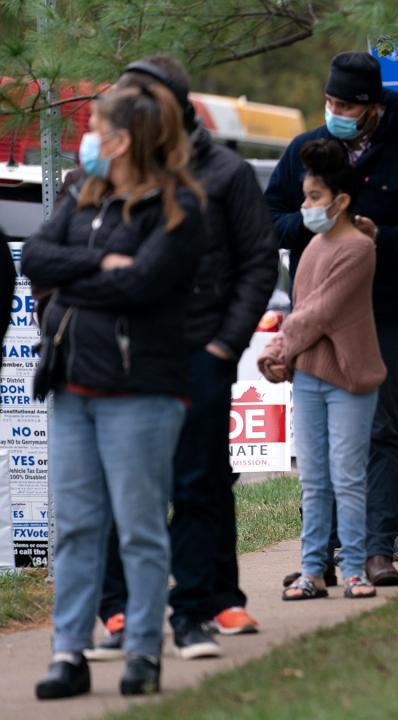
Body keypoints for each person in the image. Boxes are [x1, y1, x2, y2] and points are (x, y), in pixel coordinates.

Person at [80, 56, 278, 665]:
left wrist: (225, 345)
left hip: (199, 350)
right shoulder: (111, 169)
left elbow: (256, 261)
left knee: (199, 479)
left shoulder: (222, 172)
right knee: (121, 484)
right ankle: (117, 610)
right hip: (124, 353)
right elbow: (67, 247)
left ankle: (197, 607)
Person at [24, 83, 205, 699]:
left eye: (97, 127)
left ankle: (141, 652)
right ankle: (68, 652)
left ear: (124, 138)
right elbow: (36, 262)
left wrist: (79, 277)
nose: (88, 138)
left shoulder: (177, 207)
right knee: (75, 526)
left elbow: (148, 284)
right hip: (72, 383)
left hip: (141, 389)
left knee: (138, 525)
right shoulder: (81, 194)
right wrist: (102, 267)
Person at [265, 52, 398, 587]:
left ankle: (376, 549)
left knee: (380, 428)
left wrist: (381, 238)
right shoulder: (308, 150)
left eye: (347, 104)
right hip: (316, 312)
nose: (336, 111)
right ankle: (322, 553)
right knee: (320, 438)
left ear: (373, 106)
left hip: (383, 314)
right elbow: (267, 218)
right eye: (330, 102)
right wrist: (311, 226)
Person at [259, 139, 386, 602]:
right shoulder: (312, 246)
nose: (305, 206)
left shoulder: (358, 248)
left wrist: (276, 346)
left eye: (314, 197)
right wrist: (286, 356)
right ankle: (312, 570)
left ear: (342, 200)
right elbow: (302, 309)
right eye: (305, 196)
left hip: (349, 378)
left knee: (347, 477)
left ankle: (354, 569)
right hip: (309, 377)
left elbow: (320, 312)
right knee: (313, 479)